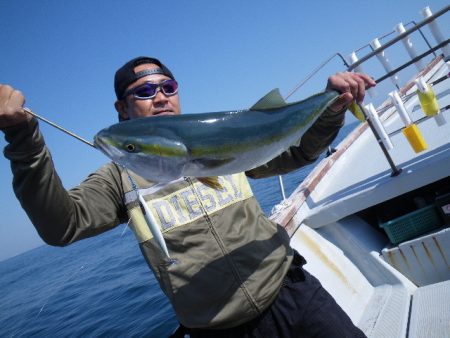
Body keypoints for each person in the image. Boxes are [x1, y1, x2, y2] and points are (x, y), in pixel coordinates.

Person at [0, 56, 375, 337]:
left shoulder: (222, 135)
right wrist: (24, 141)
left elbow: (298, 153)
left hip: (293, 293)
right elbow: (62, 225)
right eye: (145, 92)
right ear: (122, 109)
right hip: (220, 331)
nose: (160, 96)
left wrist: (330, 108)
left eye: (168, 87)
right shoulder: (118, 179)